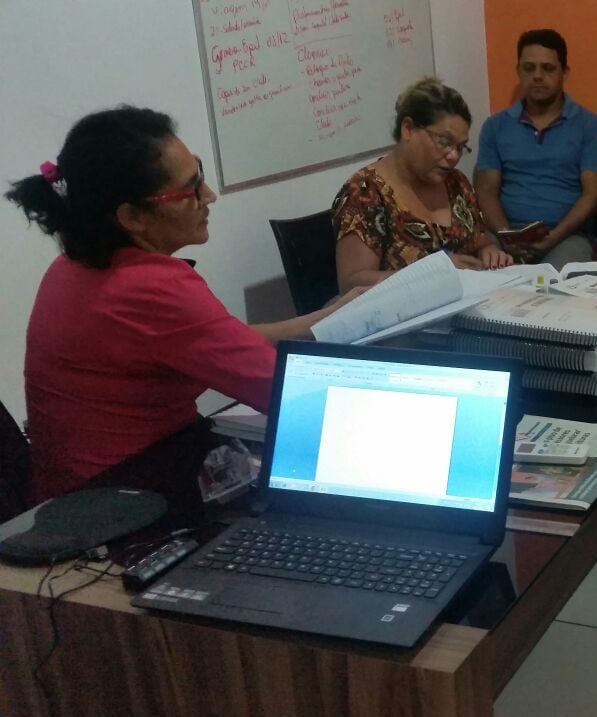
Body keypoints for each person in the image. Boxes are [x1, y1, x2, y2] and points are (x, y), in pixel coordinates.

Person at [7, 106, 361, 506]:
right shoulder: (152, 289)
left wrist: (330, 317)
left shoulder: (75, 264)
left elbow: (216, 339)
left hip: (76, 496)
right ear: (133, 216)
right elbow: (288, 395)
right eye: (190, 189)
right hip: (123, 509)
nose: (209, 197)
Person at [334, 77, 511, 292]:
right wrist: (434, 272)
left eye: (461, 147)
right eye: (444, 142)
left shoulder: (456, 183)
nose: (454, 156)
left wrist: (489, 251)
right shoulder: (365, 193)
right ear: (408, 129)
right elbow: (353, 282)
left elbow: (477, 241)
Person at [474, 29, 597, 268]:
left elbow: (593, 194)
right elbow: (486, 190)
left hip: (565, 238)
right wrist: (506, 236)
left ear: (564, 73)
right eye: (529, 68)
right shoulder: (495, 126)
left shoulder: (590, 126)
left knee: (555, 287)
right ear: (518, 71)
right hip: (505, 235)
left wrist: (553, 237)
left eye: (547, 68)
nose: (537, 76)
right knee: (480, 274)